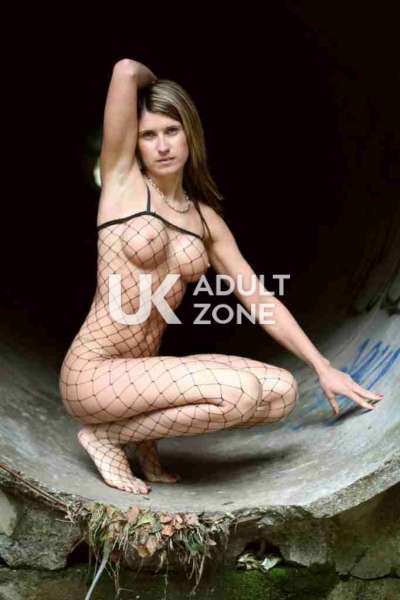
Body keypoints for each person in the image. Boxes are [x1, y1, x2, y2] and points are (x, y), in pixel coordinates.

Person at [59, 59, 383, 495]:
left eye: (172, 130)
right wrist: (159, 87)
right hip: (95, 372)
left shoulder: (206, 221)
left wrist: (322, 367)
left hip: (145, 373)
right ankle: (107, 437)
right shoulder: (123, 184)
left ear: (190, 134)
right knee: (241, 393)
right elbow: (125, 70)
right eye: (149, 135)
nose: (162, 146)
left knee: (281, 392)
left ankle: (136, 438)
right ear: (135, 143)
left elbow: (259, 298)